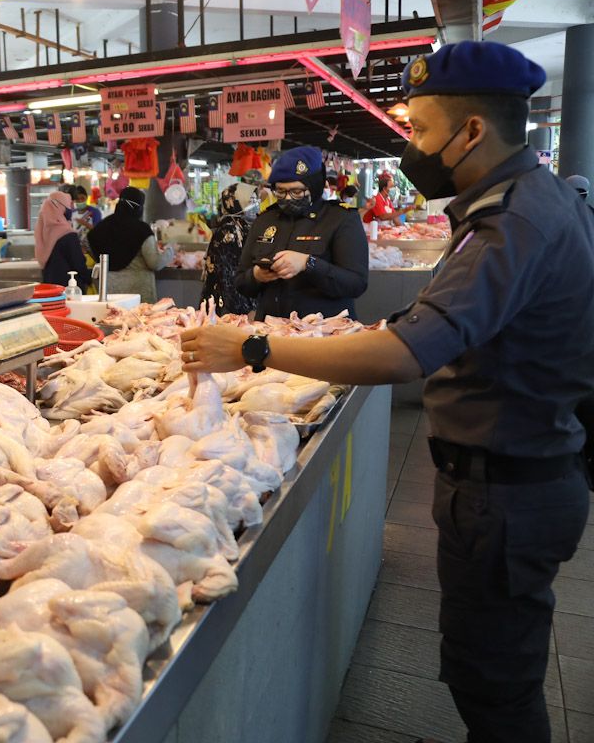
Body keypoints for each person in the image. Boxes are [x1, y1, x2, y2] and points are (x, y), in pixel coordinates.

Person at [181, 41, 594, 743]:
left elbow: (409, 350)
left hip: (509, 488)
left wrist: (253, 348)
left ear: (471, 131)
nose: (414, 148)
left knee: (495, 682)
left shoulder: (513, 222)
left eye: (423, 131)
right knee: (487, 668)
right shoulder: (529, 201)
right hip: (519, 474)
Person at [234, 146, 368, 319]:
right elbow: (240, 282)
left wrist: (308, 264)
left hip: (323, 336)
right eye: (281, 191)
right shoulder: (265, 220)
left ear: (314, 187)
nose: (288, 198)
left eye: (297, 191)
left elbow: (356, 284)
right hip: (272, 333)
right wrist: (256, 276)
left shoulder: (341, 219)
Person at [87, 186, 174, 303]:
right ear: (139, 207)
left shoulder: (101, 228)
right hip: (137, 293)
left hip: (110, 290)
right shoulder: (142, 229)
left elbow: (92, 246)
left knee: (112, 319)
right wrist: (170, 252)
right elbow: (155, 263)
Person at [201, 184, 256, 315]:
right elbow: (227, 275)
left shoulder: (243, 227)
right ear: (236, 202)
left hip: (240, 299)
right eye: (250, 201)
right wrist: (241, 308)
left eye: (256, 201)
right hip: (226, 304)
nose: (255, 206)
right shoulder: (228, 230)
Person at [35, 191, 89, 289]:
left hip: (49, 285)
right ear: (61, 208)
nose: (70, 209)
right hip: (69, 289)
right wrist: (89, 279)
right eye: (68, 206)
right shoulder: (67, 234)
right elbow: (78, 264)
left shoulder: (42, 231)